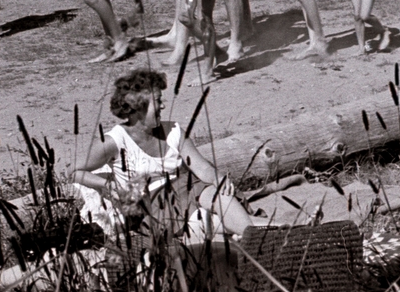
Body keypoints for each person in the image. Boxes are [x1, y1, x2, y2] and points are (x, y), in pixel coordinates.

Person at [72, 69, 269, 241]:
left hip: (187, 193)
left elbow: (201, 168)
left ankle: (257, 232)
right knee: (206, 220)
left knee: (215, 192)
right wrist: (105, 185)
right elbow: (73, 171)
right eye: (157, 102)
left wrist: (217, 178)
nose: (163, 106)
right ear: (137, 108)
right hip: (153, 209)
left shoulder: (173, 131)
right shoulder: (115, 141)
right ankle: (266, 229)